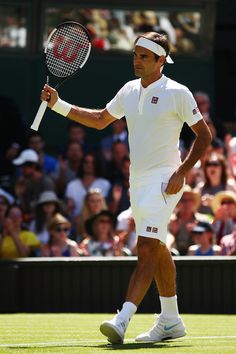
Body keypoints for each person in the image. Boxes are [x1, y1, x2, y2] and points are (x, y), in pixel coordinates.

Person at [40, 31, 212, 344]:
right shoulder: (129, 90)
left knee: (145, 247)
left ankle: (123, 319)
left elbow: (204, 136)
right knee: (157, 246)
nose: (137, 61)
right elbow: (101, 119)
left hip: (165, 180)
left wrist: (182, 172)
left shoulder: (178, 92)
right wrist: (58, 105)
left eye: (144, 56)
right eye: (135, 55)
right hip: (138, 181)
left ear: (161, 60)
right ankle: (171, 319)